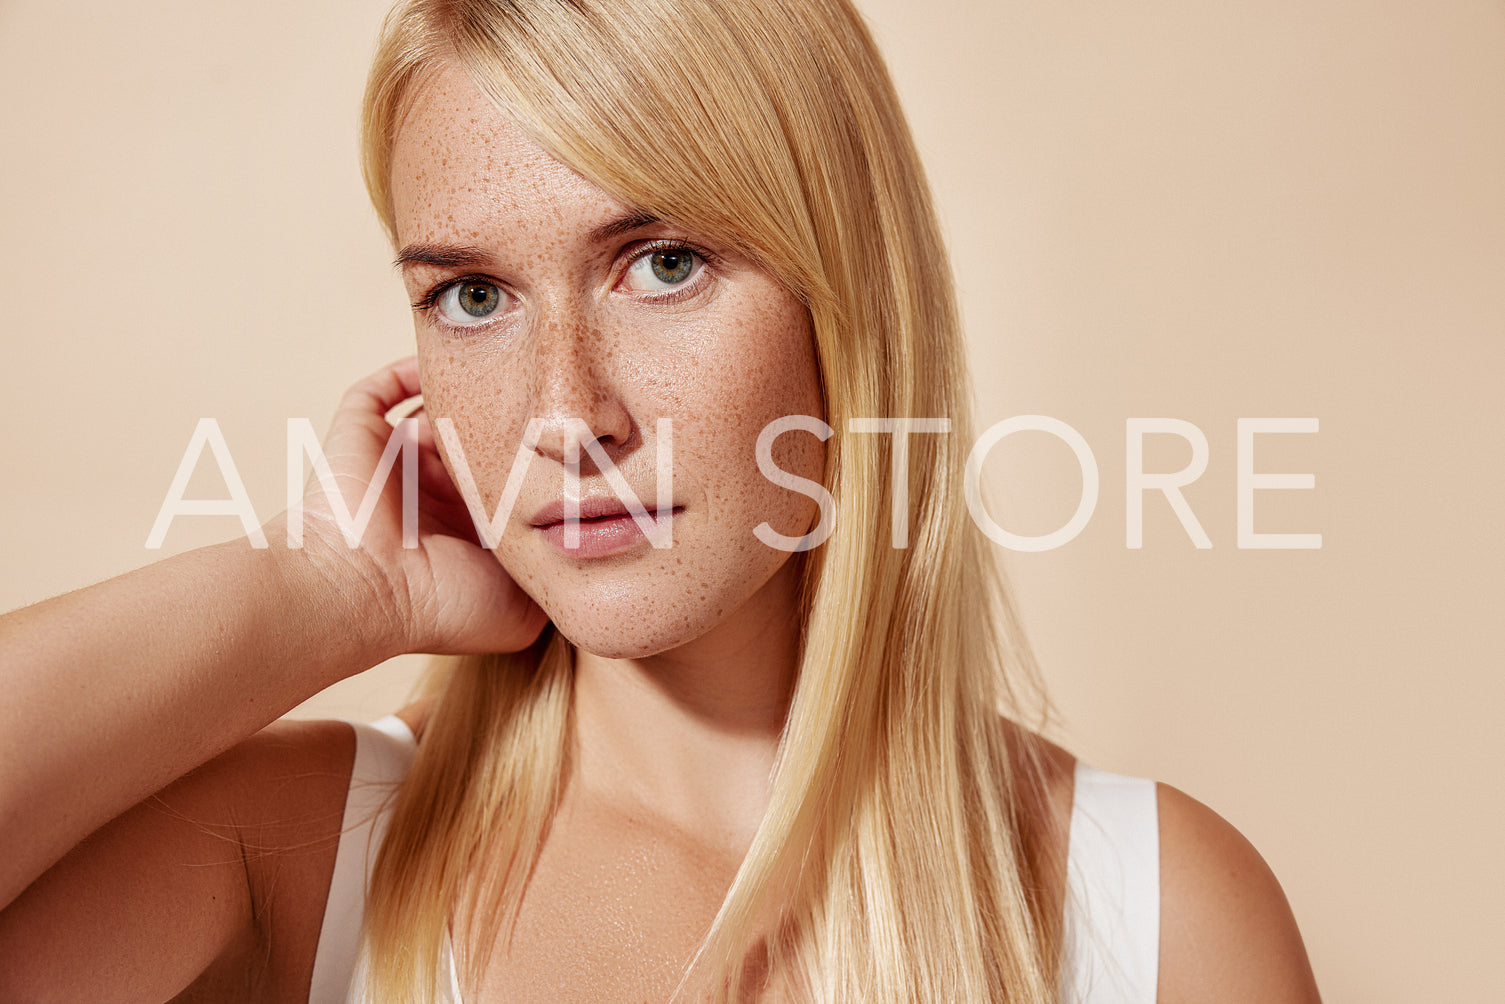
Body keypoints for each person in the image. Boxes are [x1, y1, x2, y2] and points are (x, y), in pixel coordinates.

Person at [0, 0, 1322, 1000]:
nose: (568, 414)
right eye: (473, 296)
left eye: (664, 263)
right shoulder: (296, 850)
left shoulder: (1155, 919)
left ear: (843, 300)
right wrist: (315, 591)